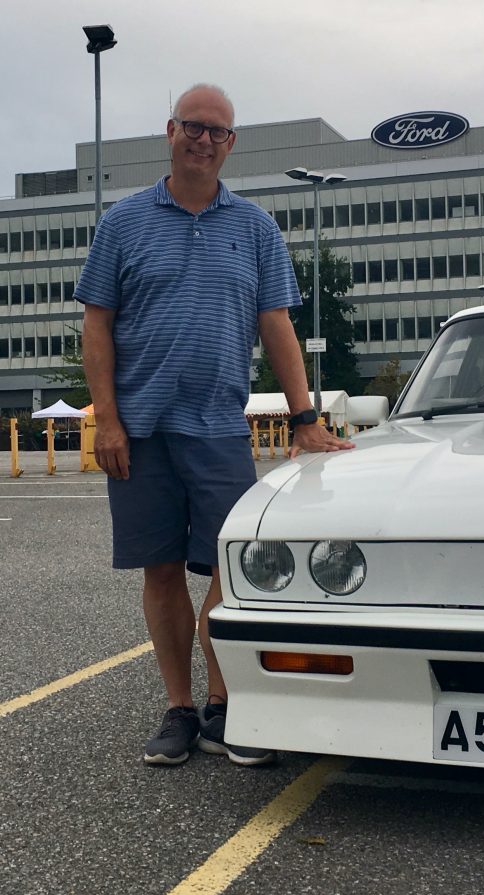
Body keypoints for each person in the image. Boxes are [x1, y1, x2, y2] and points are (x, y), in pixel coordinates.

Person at [75, 83, 352, 768]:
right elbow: (96, 324)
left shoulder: (255, 228)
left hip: (220, 430)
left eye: (217, 131)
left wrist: (306, 417)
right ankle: (178, 707)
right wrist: (106, 419)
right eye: (193, 127)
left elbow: (277, 324)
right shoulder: (124, 222)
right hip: (140, 432)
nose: (203, 139)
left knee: (236, 570)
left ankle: (227, 704)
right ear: (170, 131)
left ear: (231, 144)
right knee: (162, 571)